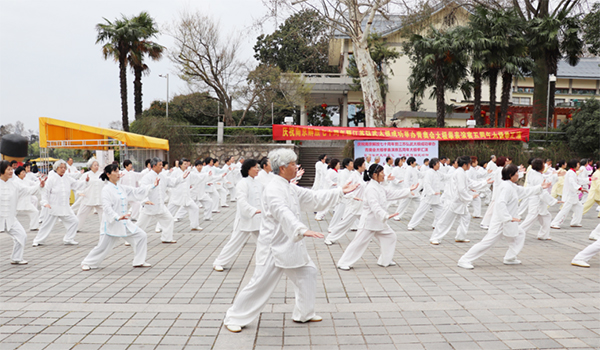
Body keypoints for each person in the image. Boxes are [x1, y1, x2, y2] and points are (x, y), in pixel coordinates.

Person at [223, 148, 358, 333]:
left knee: (308, 273)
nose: (296, 167)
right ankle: (234, 317)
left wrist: (339, 192)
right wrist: (302, 229)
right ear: (283, 167)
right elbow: (282, 212)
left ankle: (304, 313)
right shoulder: (273, 189)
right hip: (273, 246)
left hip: (290, 245)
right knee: (259, 283)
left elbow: (312, 197)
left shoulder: (288, 186)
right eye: (294, 164)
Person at [457, 164, 551, 269]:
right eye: (517, 173)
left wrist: (540, 187)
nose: (518, 175)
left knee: (520, 234)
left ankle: (510, 257)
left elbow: (524, 191)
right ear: (511, 175)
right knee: (487, 242)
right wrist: (508, 218)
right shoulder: (506, 187)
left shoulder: (511, 185)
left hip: (507, 221)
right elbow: (501, 203)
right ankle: (464, 259)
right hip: (501, 221)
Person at [337, 164, 418, 270]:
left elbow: (390, 194)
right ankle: (343, 262)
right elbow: (374, 206)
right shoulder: (371, 188)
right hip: (369, 222)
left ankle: (385, 260)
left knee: (390, 237)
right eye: (382, 173)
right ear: (375, 175)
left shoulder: (378, 186)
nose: (384, 175)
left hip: (379, 222)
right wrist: (386, 215)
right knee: (358, 243)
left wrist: (408, 190)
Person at [80, 164, 159, 271]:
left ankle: (139, 261)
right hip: (111, 223)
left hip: (124, 222)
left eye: (118, 171)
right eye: (115, 172)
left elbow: (135, 192)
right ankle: (87, 262)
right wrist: (117, 217)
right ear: (108, 174)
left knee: (141, 235)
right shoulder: (106, 189)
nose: (118, 174)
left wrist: (152, 186)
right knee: (103, 246)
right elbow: (107, 207)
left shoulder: (121, 187)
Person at [213, 159, 263, 271]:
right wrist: (253, 210)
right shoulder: (242, 183)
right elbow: (241, 201)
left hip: (257, 219)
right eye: (254, 167)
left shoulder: (258, 183)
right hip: (245, 218)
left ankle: (263, 262)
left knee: (264, 241)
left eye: (257, 167)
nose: (257, 169)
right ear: (248, 169)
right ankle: (219, 262)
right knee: (235, 242)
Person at [430, 156, 486, 245]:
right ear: (465, 164)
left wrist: (485, 182)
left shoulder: (462, 173)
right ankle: (435, 238)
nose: (470, 166)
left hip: (460, 202)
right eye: (469, 164)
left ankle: (461, 237)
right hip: (454, 201)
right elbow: (461, 190)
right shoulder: (459, 173)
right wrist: (470, 197)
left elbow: (470, 183)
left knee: (466, 217)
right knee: (445, 221)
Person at [33, 160, 88, 246]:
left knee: (74, 221)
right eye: (61, 167)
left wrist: (85, 182)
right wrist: (45, 202)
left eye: (64, 168)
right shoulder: (51, 179)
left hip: (64, 206)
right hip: (52, 206)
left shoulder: (67, 178)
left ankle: (69, 238)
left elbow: (76, 184)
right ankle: (37, 240)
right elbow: (45, 192)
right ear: (56, 168)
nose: (63, 169)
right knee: (46, 225)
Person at [0, 161, 45, 264]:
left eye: (12, 169)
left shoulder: (15, 184)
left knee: (22, 235)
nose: (12, 171)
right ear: (1, 171)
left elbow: (29, 190)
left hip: (10, 218)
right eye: (9, 169)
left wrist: (40, 186)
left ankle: (16, 258)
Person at [136, 157, 184, 244]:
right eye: (160, 165)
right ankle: (130, 239)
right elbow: (142, 190)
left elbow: (172, 182)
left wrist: (182, 178)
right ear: (154, 166)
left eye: (162, 164)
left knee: (169, 219)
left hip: (160, 205)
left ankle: (167, 238)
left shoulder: (163, 176)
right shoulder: (147, 177)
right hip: (149, 206)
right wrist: (145, 200)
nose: (162, 166)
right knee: (140, 224)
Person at [325, 157, 366, 245]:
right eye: (364, 164)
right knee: (344, 224)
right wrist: (353, 196)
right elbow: (345, 187)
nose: (365, 166)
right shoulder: (353, 175)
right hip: (353, 204)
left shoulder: (359, 175)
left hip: (360, 204)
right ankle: (330, 238)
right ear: (359, 166)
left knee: (367, 221)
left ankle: (365, 237)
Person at [519, 159, 561, 240]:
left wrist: (554, 175)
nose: (544, 166)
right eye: (543, 164)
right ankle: (516, 233)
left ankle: (543, 235)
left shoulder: (532, 172)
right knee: (530, 220)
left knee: (546, 217)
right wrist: (554, 201)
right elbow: (543, 193)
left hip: (536, 200)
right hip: (537, 201)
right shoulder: (537, 177)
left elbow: (545, 178)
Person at [407, 158, 448, 231]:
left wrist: (455, 174)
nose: (439, 166)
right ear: (433, 165)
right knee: (420, 212)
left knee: (441, 211)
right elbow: (427, 184)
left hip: (435, 197)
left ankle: (436, 224)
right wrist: (432, 192)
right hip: (428, 197)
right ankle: (411, 225)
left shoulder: (438, 173)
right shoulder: (429, 172)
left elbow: (445, 177)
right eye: (438, 164)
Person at [167, 158, 203, 231]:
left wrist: (208, 176)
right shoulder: (175, 172)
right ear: (180, 165)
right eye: (185, 164)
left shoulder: (189, 172)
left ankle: (194, 225)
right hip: (176, 196)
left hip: (186, 196)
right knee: (168, 212)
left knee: (195, 208)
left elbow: (197, 178)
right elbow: (171, 182)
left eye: (187, 164)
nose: (186, 165)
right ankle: (159, 227)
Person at [551, 159, 586, 229]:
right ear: (574, 165)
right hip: (569, 196)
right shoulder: (570, 173)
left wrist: (589, 180)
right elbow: (572, 182)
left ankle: (575, 222)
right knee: (565, 210)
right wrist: (580, 188)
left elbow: (578, 180)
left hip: (573, 196)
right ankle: (554, 223)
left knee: (580, 207)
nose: (579, 166)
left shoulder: (573, 173)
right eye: (578, 164)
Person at [76, 159, 105, 232]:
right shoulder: (85, 175)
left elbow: (107, 184)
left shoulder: (102, 174)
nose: (96, 167)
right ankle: (76, 228)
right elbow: (79, 184)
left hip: (100, 198)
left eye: (97, 165)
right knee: (81, 213)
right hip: (88, 197)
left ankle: (104, 228)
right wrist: (79, 192)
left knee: (104, 214)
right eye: (94, 165)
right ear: (90, 166)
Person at [393, 157, 421, 221]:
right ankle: (397, 216)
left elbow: (420, 175)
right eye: (414, 161)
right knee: (403, 204)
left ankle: (418, 215)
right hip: (409, 191)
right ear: (411, 163)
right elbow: (406, 181)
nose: (416, 163)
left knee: (421, 203)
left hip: (415, 191)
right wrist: (409, 190)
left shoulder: (414, 169)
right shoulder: (408, 170)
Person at [14, 166, 41, 231]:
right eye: (22, 172)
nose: (24, 174)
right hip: (16, 202)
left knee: (35, 212)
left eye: (24, 172)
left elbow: (34, 184)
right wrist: (39, 185)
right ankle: (2, 227)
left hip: (26, 202)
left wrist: (41, 183)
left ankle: (34, 227)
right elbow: (27, 189)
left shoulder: (26, 180)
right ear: (18, 174)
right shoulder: (16, 182)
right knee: (10, 215)